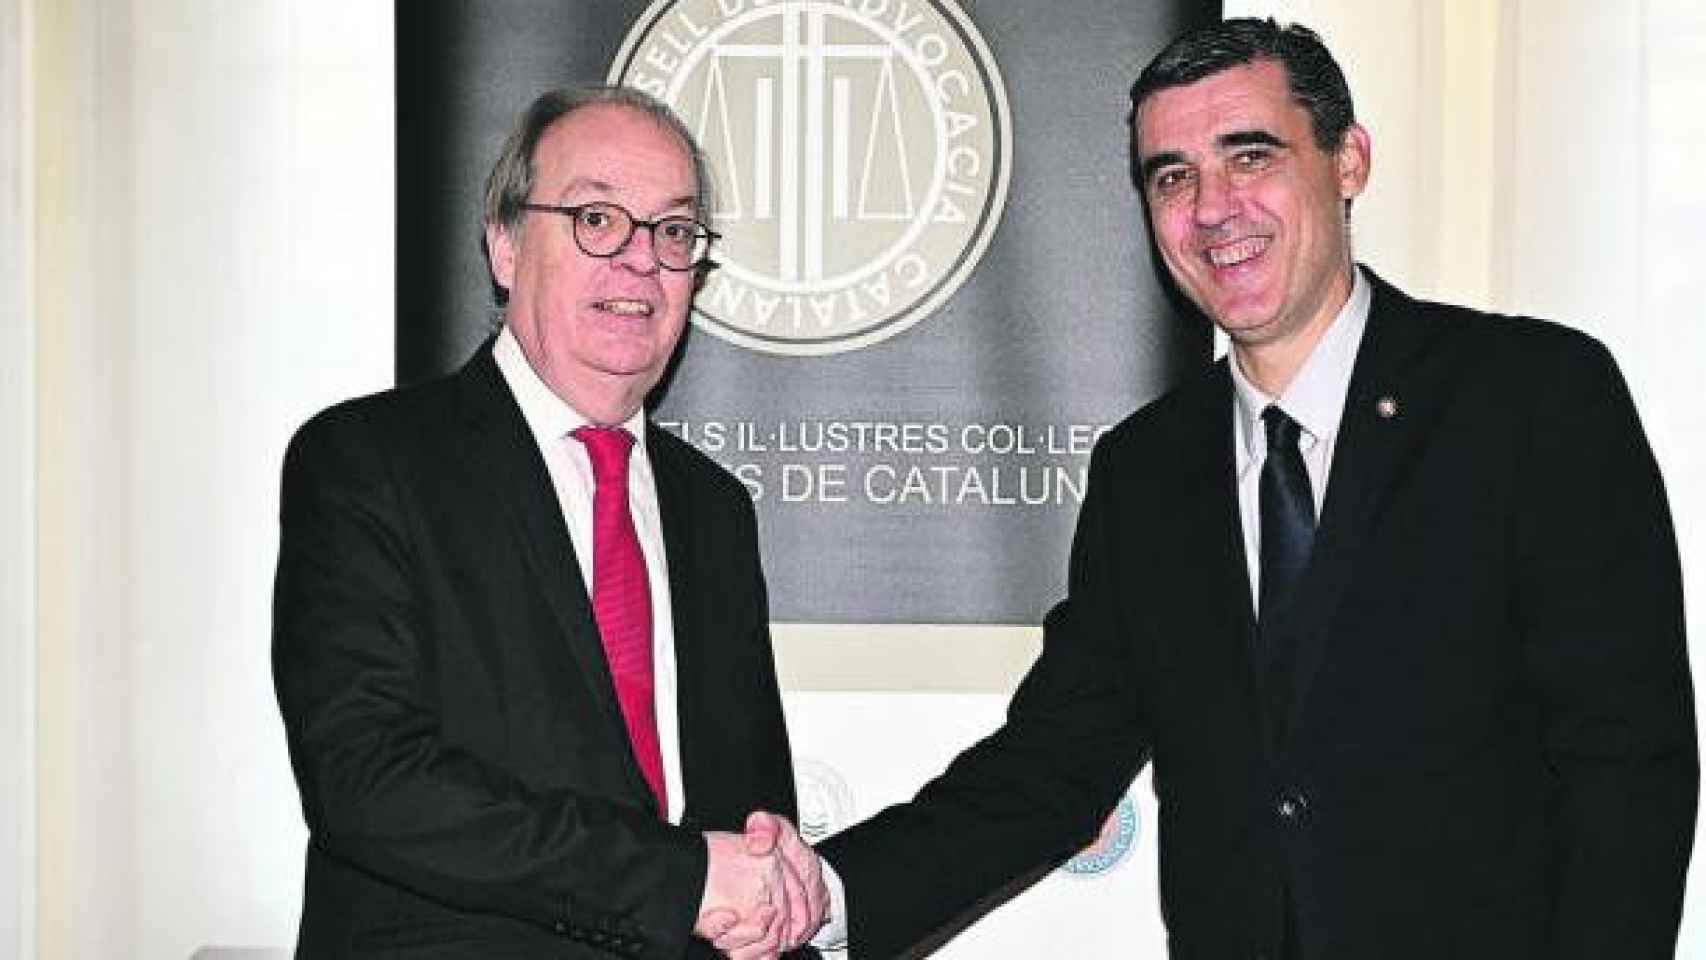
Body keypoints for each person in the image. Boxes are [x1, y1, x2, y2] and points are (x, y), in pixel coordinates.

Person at [806, 18, 1698, 959]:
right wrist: (827, 893)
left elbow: (1628, 763)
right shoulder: (1142, 475)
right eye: (1173, 176)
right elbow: (1053, 767)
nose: (1213, 208)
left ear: (1348, 159)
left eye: (1251, 155)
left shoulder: (1529, 398)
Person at [273, 85, 826, 959]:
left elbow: (748, 816)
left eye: (674, 233)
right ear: (503, 245)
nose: (642, 261)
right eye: (597, 219)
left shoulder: (716, 511)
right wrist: (677, 879)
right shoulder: (367, 463)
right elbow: (369, 781)